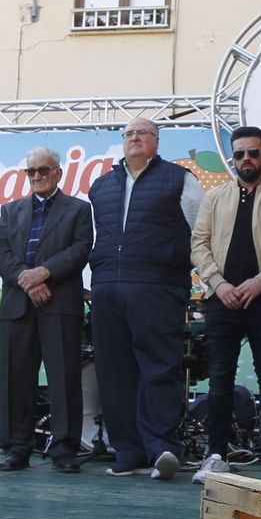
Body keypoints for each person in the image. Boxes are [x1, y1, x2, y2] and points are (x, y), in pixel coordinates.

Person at [87, 117, 202, 480]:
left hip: (158, 286)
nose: (134, 137)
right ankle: (128, 451)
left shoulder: (179, 179)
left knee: (159, 367)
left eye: (143, 132)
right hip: (107, 288)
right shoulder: (100, 186)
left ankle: (161, 448)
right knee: (113, 373)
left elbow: (200, 232)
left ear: (156, 141)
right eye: (129, 133)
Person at [190, 126, 261, 485]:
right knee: (219, 380)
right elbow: (198, 244)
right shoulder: (215, 197)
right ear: (232, 158)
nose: (246, 159)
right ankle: (216, 455)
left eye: (253, 153)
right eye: (240, 154)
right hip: (222, 300)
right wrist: (219, 284)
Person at [0, 147, 93, 473]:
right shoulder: (10, 211)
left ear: (58, 173)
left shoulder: (79, 209)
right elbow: (1, 251)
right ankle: (17, 448)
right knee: (15, 379)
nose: (37, 176)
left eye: (44, 170)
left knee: (63, 379)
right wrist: (27, 279)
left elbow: (80, 249)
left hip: (60, 303)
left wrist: (44, 272)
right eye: (31, 171)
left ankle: (64, 450)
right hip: (18, 304)